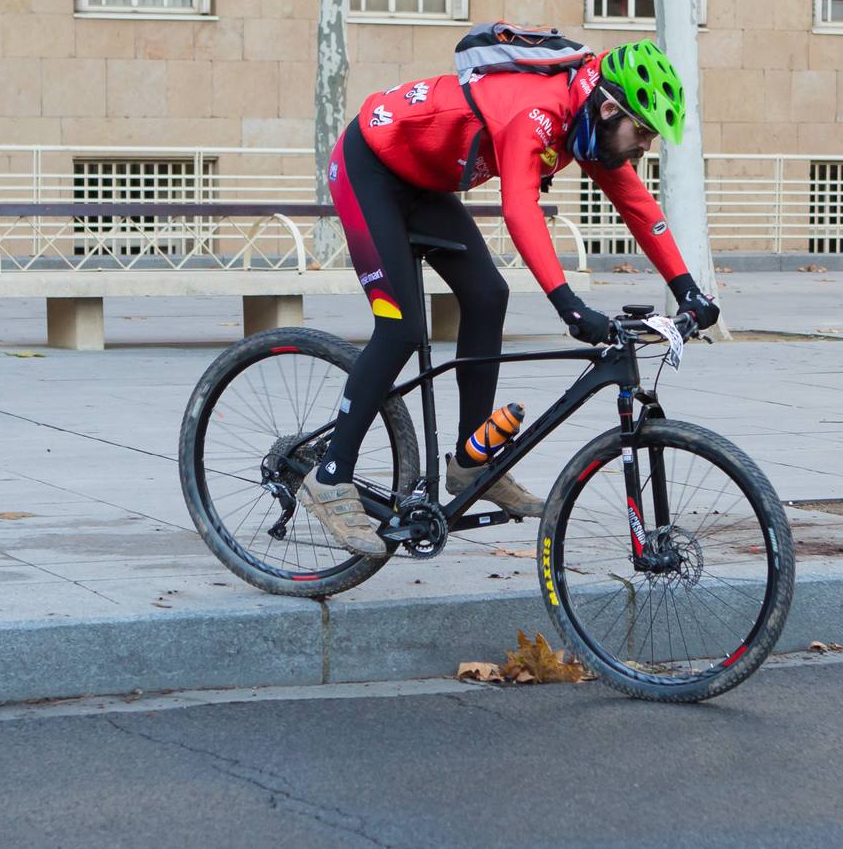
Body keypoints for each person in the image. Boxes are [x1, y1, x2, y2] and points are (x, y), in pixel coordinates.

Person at [299, 39, 721, 558]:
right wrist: (568, 305)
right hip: (369, 167)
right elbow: (519, 209)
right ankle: (330, 473)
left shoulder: (584, 119)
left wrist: (689, 290)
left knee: (486, 295)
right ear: (611, 108)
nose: (644, 149)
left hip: (420, 183)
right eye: (644, 133)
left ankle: (472, 461)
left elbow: (637, 205)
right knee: (402, 328)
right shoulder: (538, 114)